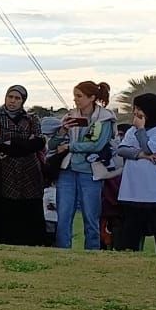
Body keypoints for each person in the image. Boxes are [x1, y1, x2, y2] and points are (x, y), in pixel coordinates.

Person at [50, 81, 114, 250]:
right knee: (63, 214)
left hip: (90, 171)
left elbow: (96, 144)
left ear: (92, 97)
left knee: (91, 216)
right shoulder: (70, 116)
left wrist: (70, 146)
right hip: (68, 170)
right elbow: (52, 145)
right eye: (75, 96)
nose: (75, 99)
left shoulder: (104, 118)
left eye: (79, 96)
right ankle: (62, 250)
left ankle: (92, 252)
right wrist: (62, 131)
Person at [112, 93, 156, 253]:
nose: (136, 113)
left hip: (155, 190)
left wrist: (141, 130)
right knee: (132, 227)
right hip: (132, 189)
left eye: (139, 109)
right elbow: (122, 149)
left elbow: (150, 148)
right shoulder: (131, 130)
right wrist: (141, 155)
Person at [0, 85, 46, 246]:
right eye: (10, 97)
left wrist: (12, 143)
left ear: (23, 100)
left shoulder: (31, 118)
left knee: (30, 205)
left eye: (17, 98)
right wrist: (24, 143)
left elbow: (39, 142)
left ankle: (32, 242)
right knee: (5, 205)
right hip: (4, 169)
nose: (12, 101)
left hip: (29, 170)